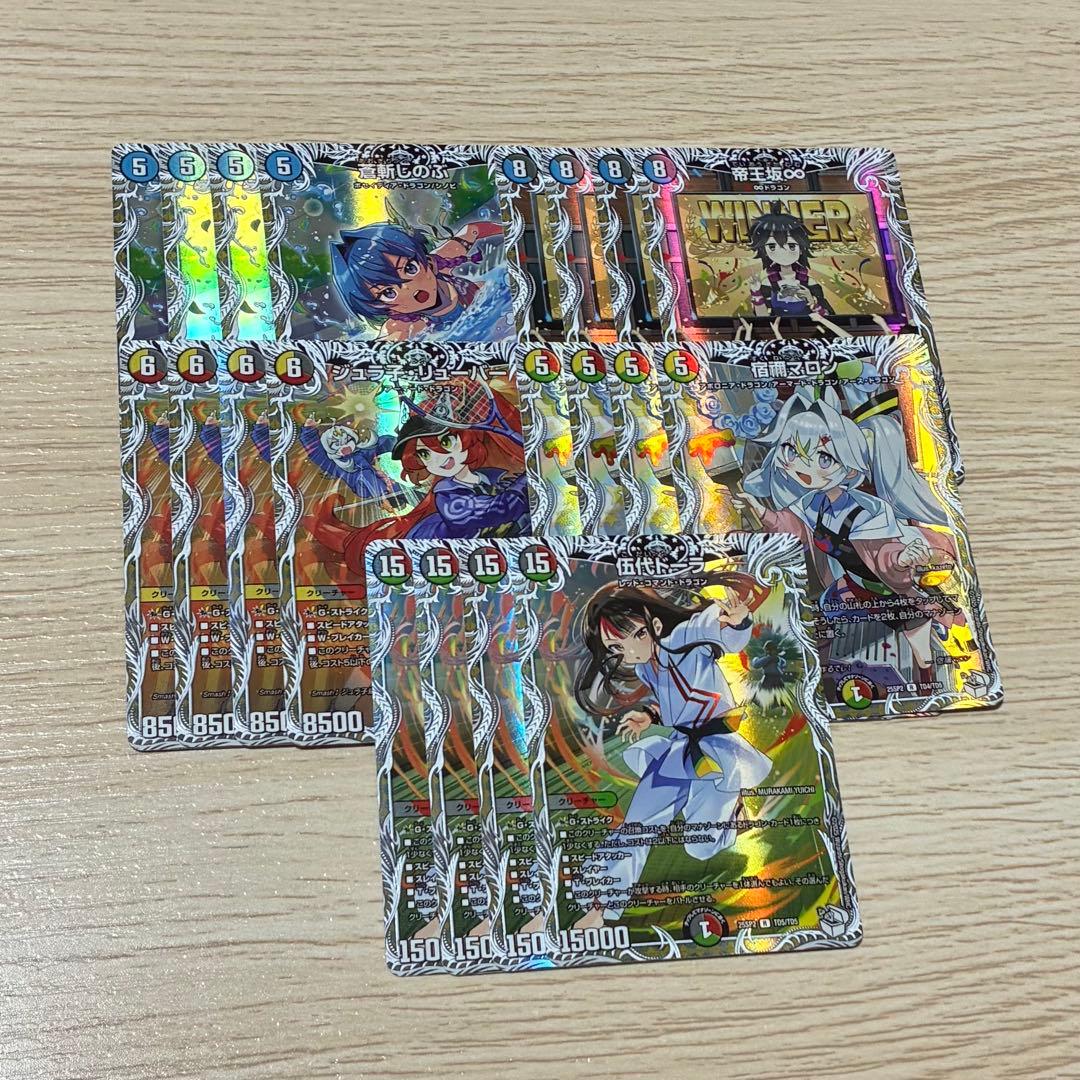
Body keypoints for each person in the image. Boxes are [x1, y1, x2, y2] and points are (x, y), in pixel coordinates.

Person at [570, 578, 773, 929]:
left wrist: (738, 622)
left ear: (655, 623)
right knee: (638, 825)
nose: (630, 651)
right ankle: (600, 905)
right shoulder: (645, 666)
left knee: (700, 845)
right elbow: (674, 701)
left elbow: (716, 632)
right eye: (616, 647)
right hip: (679, 748)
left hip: (716, 750)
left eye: (636, 635)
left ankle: (735, 816)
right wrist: (649, 715)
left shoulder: (682, 638)